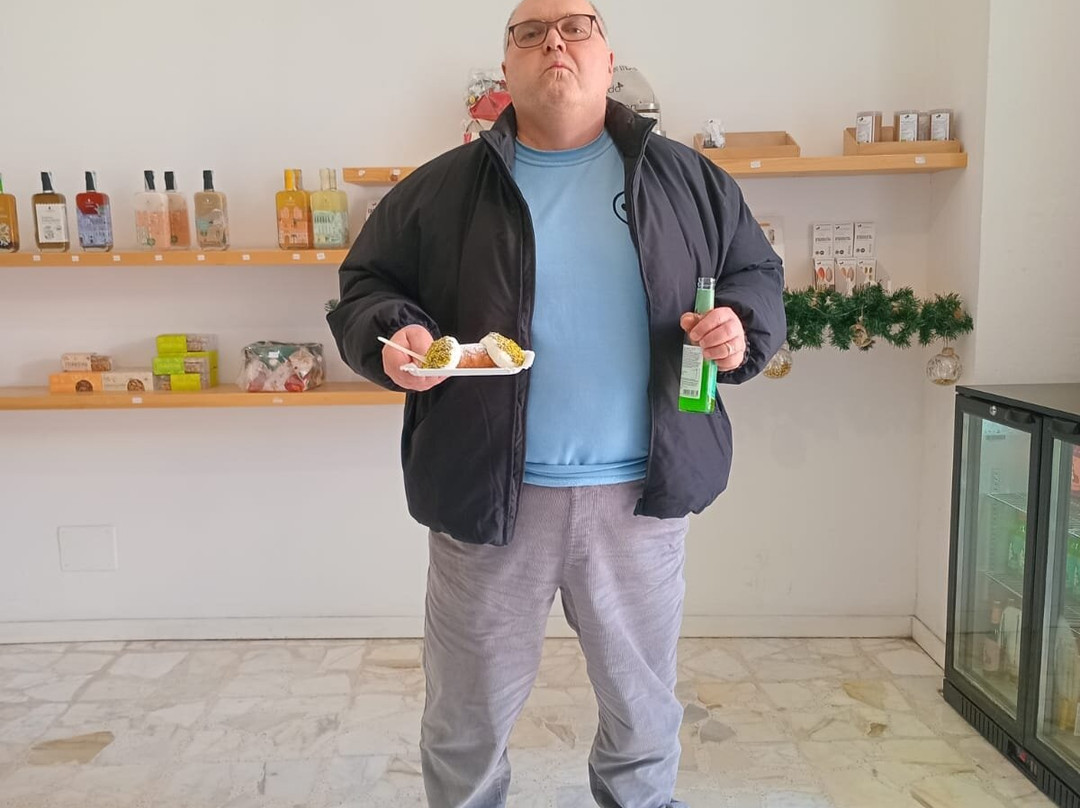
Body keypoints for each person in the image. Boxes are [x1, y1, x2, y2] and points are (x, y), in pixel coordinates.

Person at [326, 1, 785, 804]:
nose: (555, 43)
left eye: (576, 27)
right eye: (530, 33)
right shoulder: (443, 188)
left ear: (609, 58)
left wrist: (740, 325)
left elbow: (757, 275)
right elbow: (366, 285)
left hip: (642, 498)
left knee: (643, 714)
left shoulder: (688, 180)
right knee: (465, 719)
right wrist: (393, 332)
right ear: (506, 69)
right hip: (486, 499)